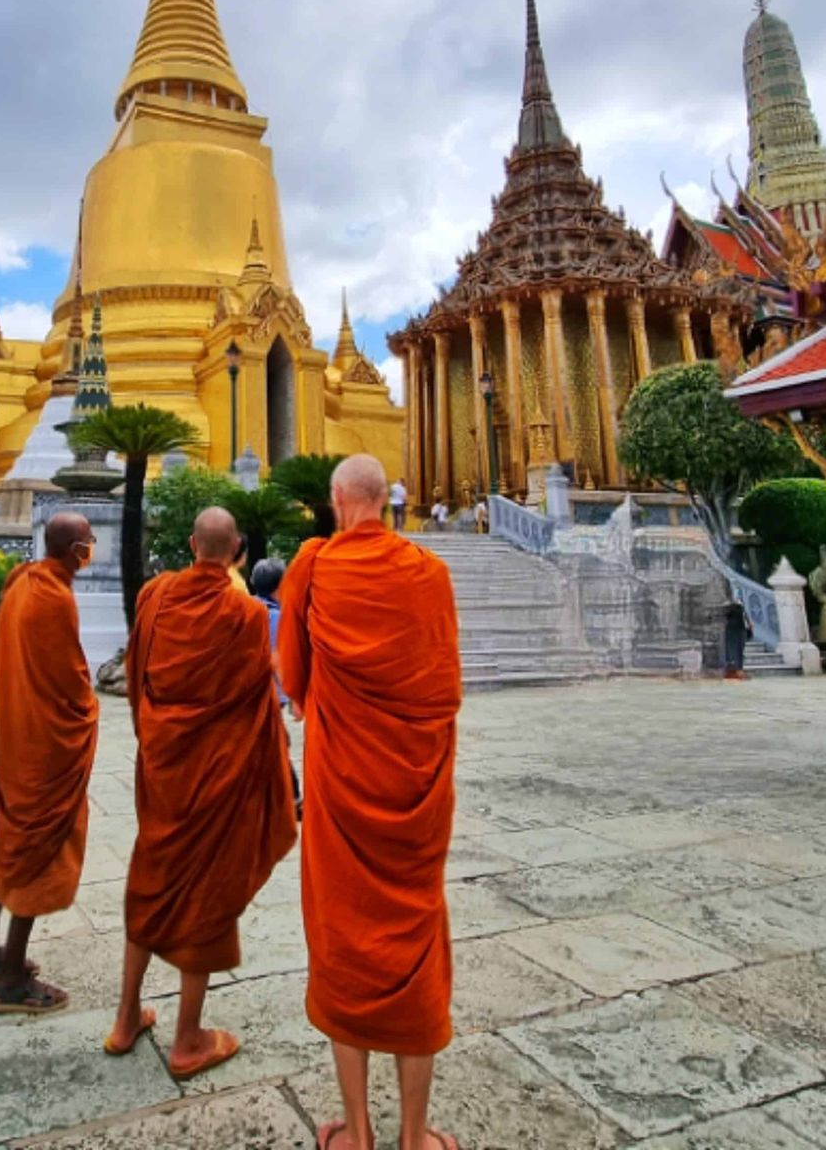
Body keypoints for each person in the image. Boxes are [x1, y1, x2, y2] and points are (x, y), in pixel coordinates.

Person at [278, 454, 462, 1150]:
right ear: (385, 502)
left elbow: (292, 677)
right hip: (413, 788)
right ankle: (415, 1137)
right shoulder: (430, 574)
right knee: (414, 939)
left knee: (344, 940)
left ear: (335, 500)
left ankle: (356, 1133)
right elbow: (446, 685)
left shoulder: (314, 567)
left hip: (343, 786)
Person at [106, 507, 297, 1078]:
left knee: (149, 885)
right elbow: (261, 701)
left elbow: (138, 676)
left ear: (192, 544)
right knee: (207, 902)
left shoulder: (156, 598)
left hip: (167, 770)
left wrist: (157, 740)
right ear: (238, 548)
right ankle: (188, 1040)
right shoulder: (242, 614)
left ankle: (124, 1019)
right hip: (214, 778)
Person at [0, 511, 99, 1015]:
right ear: (73, 550)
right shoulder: (53, 597)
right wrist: (90, 710)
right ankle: (13, 978)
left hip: (16, 735)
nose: (93, 547)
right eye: (88, 541)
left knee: (11, 837)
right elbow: (70, 682)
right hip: (45, 746)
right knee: (38, 846)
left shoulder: (22, 582)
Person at [251, 556, 302, 813]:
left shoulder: (247, 607)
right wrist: (295, 698)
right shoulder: (276, 617)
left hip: (247, 692)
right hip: (267, 693)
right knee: (276, 742)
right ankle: (291, 797)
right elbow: (277, 660)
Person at [723, 598, 751, 680]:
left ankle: (736, 671)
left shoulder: (733, 610)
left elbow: (747, 622)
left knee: (734, 652)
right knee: (737, 652)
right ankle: (737, 670)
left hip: (736, 631)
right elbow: (747, 622)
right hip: (737, 631)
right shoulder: (739, 609)